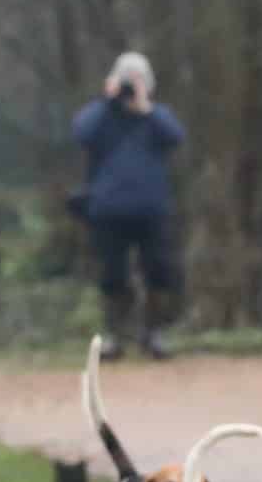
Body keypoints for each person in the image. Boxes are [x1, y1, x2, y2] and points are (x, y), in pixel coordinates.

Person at [74, 51, 185, 360]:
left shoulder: (155, 117)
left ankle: (154, 334)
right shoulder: (100, 117)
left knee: (159, 271)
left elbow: (176, 136)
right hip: (108, 210)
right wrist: (106, 101)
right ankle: (115, 336)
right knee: (112, 274)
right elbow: (81, 133)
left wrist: (144, 108)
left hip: (152, 209)